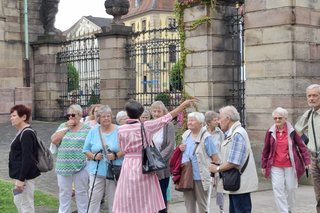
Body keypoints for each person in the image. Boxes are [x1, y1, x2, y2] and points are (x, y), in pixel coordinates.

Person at [112, 98, 196, 213]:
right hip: (144, 163)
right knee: (146, 196)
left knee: (128, 194)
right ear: (140, 114)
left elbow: (122, 148)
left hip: (128, 164)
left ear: (127, 114)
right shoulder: (146, 126)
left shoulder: (121, 129)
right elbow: (167, 117)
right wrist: (183, 105)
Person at [209, 105, 258, 213]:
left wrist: (217, 169)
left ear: (228, 119)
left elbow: (234, 162)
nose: (218, 121)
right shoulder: (233, 133)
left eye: (220, 118)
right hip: (235, 183)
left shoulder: (237, 134)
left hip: (240, 183)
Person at [261, 107, 310, 212]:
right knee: (278, 189)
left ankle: (289, 208)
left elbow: (302, 147)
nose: (277, 120)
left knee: (291, 189)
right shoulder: (270, 132)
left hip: (290, 165)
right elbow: (266, 150)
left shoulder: (292, 131)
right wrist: (264, 165)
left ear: (285, 118)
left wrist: (307, 162)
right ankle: (283, 211)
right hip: (275, 165)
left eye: (280, 118)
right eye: (275, 118)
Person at [51, 104, 91, 213]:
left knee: (81, 192)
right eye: (68, 115)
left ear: (79, 115)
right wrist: (66, 128)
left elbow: (91, 146)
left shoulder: (87, 129)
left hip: (81, 165)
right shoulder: (63, 126)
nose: (70, 117)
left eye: (73, 115)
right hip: (63, 166)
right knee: (64, 193)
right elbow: (54, 140)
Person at [83, 105, 124, 213]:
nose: (106, 118)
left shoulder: (119, 130)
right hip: (97, 171)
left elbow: (126, 148)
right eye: (103, 116)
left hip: (114, 171)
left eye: (108, 116)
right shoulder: (93, 132)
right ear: (98, 119)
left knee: (114, 200)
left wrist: (116, 155)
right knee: (93, 199)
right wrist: (94, 156)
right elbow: (85, 150)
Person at [178, 112, 219, 213]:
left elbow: (215, 158)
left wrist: (213, 175)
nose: (189, 122)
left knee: (202, 205)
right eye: (189, 120)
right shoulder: (186, 135)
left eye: (192, 120)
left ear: (200, 123)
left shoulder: (206, 137)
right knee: (189, 204)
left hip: (200, 177)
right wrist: (180, 148)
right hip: (187, 175)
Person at [8, 104, 40, 213]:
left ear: (24, 117)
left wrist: (21, 179)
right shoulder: (21, 132)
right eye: (11, 116)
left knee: (26, 205)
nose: (11, 118)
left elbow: (28, 158)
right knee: (19, 201)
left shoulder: (27, 133)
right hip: (19, 176)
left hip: (25, 177)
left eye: (14, 115)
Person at [295, 84, 320, 212]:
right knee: (318, 196)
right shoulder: (309, 113)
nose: (311, 98)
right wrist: (310, 143)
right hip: (315, 160)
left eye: (315, 95)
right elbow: (296, 131)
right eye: (309, 96)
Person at [150, 101, 175, 213]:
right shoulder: (149, 125)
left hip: (162, 167)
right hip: (149, 165)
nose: (156, 114)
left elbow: (170, 146)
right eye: (154, 111)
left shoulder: (168, 125)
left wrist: (157, 160)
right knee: (150, 196)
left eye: (159, 111)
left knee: (161, 195)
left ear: (163, 112)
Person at [205, 110, 225, 212]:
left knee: (220, 189)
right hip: (206, 165)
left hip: (218, 164)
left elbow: (222, 148)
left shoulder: (220, 133)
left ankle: (221, 209)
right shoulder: (203, 132)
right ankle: (205, 208)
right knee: (207, 189)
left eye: (218, 119)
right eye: (215, 120)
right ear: (208, 122)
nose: (217, 121)